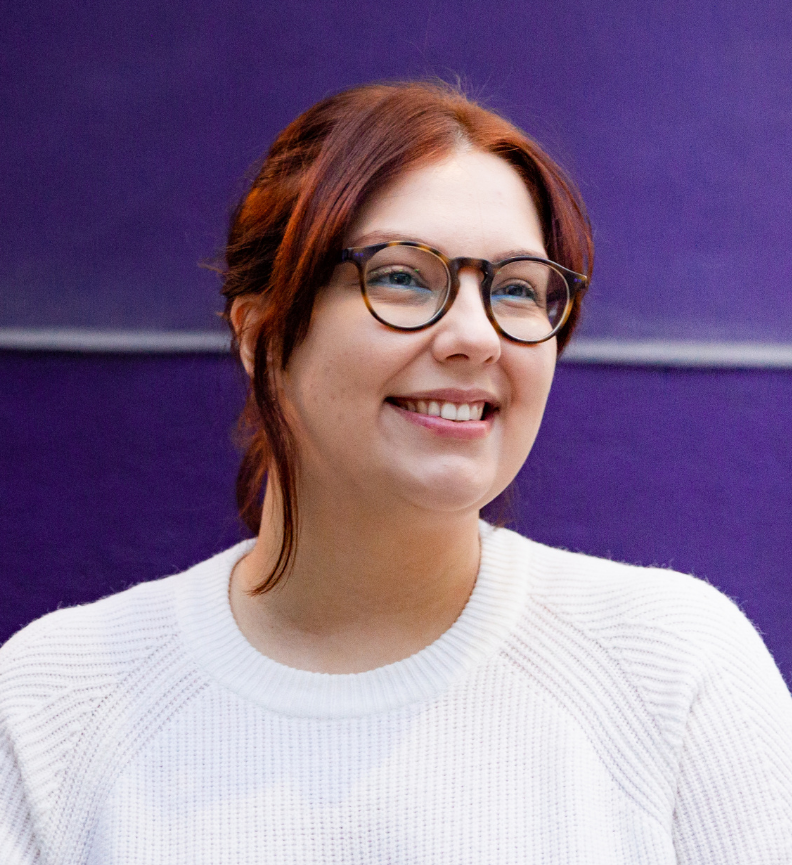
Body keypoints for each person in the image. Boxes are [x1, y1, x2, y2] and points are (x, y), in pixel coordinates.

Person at [1, 81, 791, 865]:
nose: (476, 336)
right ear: (261, 330)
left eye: (518, 288)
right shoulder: (52, 709)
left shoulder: (677, 671)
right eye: (404, 275)